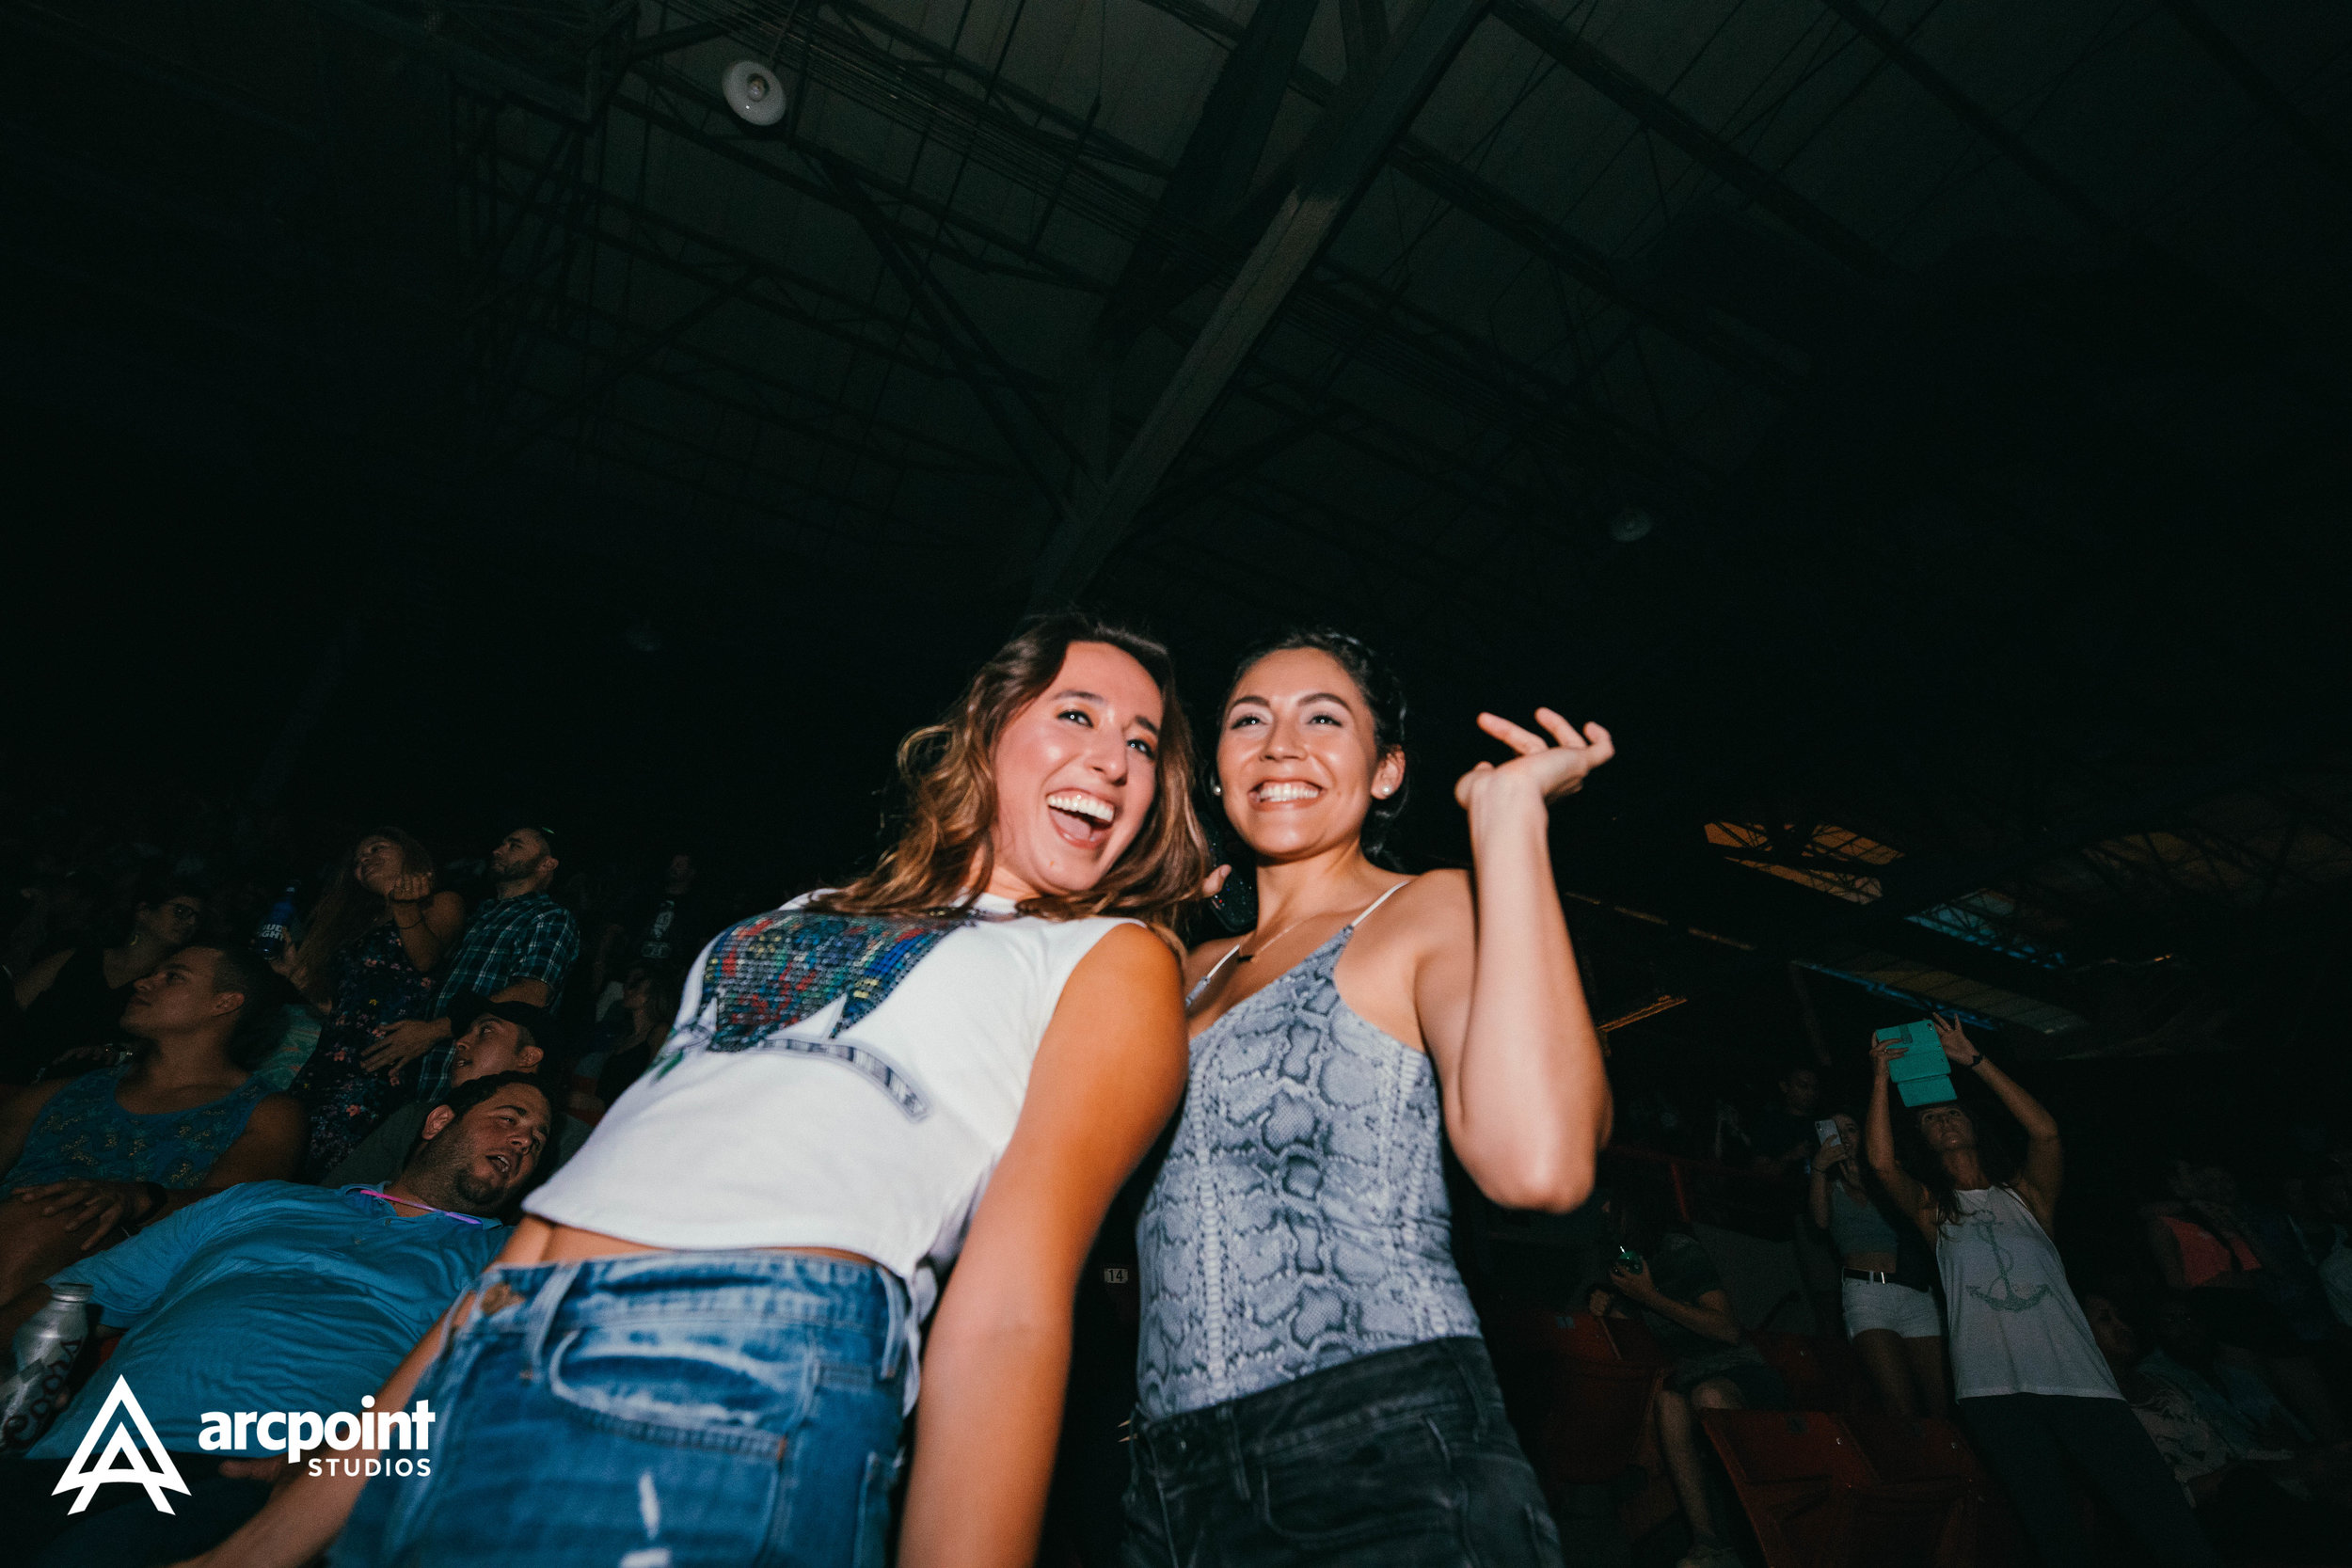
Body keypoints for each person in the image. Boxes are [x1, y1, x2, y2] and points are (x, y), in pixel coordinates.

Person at [181, 613, 1209, 1568]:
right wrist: (261, 1545)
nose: (1115, 759)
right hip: (496, 1332)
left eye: (1143, 742)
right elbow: (553, 1224)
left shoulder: (1105, 956)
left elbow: (1014, 1303)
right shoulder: (799, 913)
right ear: (986, 733)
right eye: (1079, 714)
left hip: (737, 1357)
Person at [1129, 629, 1613, 1568]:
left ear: (1386, 770)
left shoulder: (1427, 909)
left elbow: (1539, 1165)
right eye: (1248, 721)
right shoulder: (1178, 968)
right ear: (1217, 769)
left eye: (1323, 719)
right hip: (1167, 1479)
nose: (1280, 745)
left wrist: (1509, 823)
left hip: (1380, 1441)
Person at [0, 1071, 550, 1568]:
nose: (524, 1141)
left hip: (266, 1480)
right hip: (83, 1458)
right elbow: (65, 1301)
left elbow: (508, 1404)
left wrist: (354, 1469)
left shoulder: (507, 1258)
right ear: (438, 1122)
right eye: (509, 1120)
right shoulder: (261, 1202)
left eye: (538, 1141)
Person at [1866, 1016, 2220, 1568]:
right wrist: (1880, 1077)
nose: (1943, 1120)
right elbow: (1881, 1163)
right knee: (2051, 1527)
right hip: (1991, 1388)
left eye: (1952, 1111)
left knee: (2156, 1509)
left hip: (2076, 1375)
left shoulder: (2027, 1196)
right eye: (1931, 1118)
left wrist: (1975, 1061)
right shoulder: (1932, 1210)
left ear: (1973, 1125)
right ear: (1925, 1140)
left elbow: (2046, 1133)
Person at [0, 945, 306, 1302]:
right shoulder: (63, 1091)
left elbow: (229, 1212)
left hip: (120, 1266)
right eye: (153, 973)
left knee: (56, 1215)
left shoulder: (267, 1111)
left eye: (173, 977)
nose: (143, 982)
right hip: (15, 1228)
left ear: (223, 1003)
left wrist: (139, 1197)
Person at [1591, 1185, 1786, 1568]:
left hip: (1740, 1374)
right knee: (1667, 1403)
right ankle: (1709, 1544)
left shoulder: (1678, 1249)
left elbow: (1727, 1329)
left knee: (1708, 1397)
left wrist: (1651, 1297)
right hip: (1690, 1381)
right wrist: (1603, 1303)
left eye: (1612, 1203)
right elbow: (1625, 1335)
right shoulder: (1632, 1265)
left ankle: (1764, 1540)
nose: (1604, 1211)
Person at [2080, 1291, 2352, 1562]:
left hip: (2244, 1480)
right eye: (2105, 1319)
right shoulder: (2098, 1412)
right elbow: (2143, 1501)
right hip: (2208, 1511)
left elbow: (2224, 1444)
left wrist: (2295, 1457)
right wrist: (2214, 1483)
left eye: (2119, 1316)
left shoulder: (2161, 1384)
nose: (2122, 1326)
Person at [280, 830, 463, 1176]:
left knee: (334, 1164)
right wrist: (296, 978)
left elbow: (425, 960)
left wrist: (404, 907)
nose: (365, 860)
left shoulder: (440, 902)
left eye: (377, 849)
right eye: (358, 860)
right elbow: (344, 1009)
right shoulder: (362, 919)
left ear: (409, 854)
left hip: (382, 1059)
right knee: (288, 1149)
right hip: (330, 1057)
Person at [364, 825, 579, 1106]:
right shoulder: (481, 913)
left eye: (514, 845)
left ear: (547, 864)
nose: (498, 850)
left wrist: (432, 1031)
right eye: (501, 843)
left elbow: (532, 993)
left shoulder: (549, 916)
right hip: (429, 1066)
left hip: (480, 1072)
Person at [2143, 1152, 2344, 1441]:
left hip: (2256, 1303)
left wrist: (2238, 1224)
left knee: (2310, 1391)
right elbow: (2175, 1281)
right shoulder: (2162, 1222)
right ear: (2171, 1182)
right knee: (2265, 1403)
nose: (2196, 1179)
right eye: (2189, 1174)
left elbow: (2273, 1267)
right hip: (2217, 1306)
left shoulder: (2217, 1215)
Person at [320, 996, 589, 1188]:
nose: (460, 1042)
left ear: (528, 1057)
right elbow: (334, 1197)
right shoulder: (416, 1117)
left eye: (486, 1031)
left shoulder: (572, 1143)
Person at [1808, 1108, 1947, 1417]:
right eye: (1835, 1130)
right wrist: (1818, 1168)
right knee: (1898, 1402)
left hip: (1914, 1290)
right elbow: (1820, 1222)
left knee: (1941, 1399)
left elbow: (1913, 1218)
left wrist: (1868, 1185)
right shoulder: (1828, 1184)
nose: (1844, 1137)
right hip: (1867, 1293)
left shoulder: (1889, 1175)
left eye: (1851, 1129)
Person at [0, 880, 204, 1083]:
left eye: (197, 918)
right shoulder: (75, 958)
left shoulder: (167, 985)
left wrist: (117, 1052)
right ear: (144, 911)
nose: (190, 923)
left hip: (82, 1085)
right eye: (181, 911)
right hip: (15, 1068)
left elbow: (159, 1042)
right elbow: (12, 1004)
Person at [1744, 1062, 1824, 1179]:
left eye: (1815, 1088)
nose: (1811, 1093)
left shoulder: (1824, 1123)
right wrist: (1790, 1156)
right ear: (1784, 1087)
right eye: (1803, 1086)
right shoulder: (1770, 1123)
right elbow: (1759, 1171)